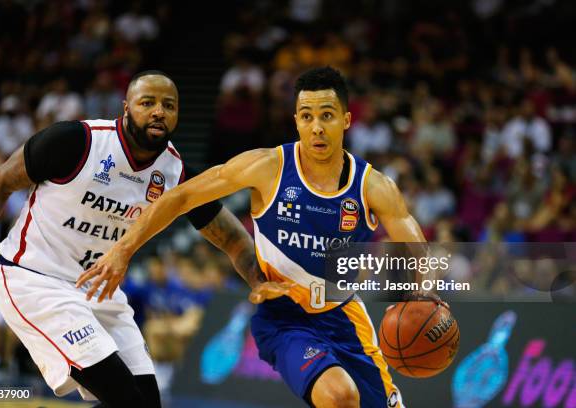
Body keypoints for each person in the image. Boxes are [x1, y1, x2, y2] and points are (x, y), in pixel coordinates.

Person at [77, 67, 432, 407]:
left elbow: (414, 242)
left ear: (346, 120)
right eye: (306, 116)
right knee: (339, 397)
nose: (317, 128)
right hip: (283, 317)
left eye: (327, 116)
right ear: (296, 120)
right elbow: (180, 196)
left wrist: (425, 291)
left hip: (345, 317)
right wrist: (124, 249)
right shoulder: (268, 167)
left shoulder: (373, 186)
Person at [0, 70, 287, 407]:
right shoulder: (77, 141)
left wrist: (256, 280)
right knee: (124, 398)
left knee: (146, 402)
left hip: (98, 290)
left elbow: (233, 238)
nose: (159, 111)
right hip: (35, 278)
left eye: (169, 105)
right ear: (126, 108)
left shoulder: (176, 174)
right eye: (147, 102)